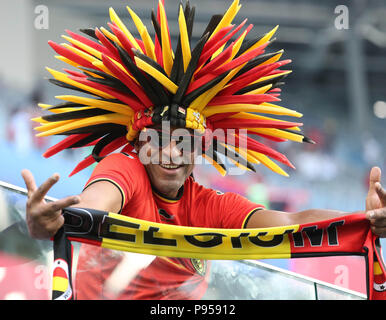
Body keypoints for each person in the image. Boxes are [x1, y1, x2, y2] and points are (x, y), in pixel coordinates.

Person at [21, 0, 386, 299]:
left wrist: (363, 221)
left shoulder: (210, 205)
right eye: (159, 139)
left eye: (185, 142)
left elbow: (290, 224)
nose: (172, 153)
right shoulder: (125, 168)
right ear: (139, 144)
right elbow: (95, 204)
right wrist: (58, 221)